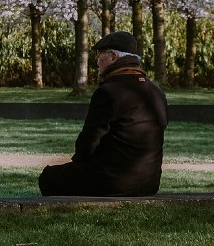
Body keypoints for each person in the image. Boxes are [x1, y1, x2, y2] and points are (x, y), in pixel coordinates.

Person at [38, 30, 168, 197]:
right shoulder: (156, 91)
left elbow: (88, 142)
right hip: (150, 183)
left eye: (99, 56)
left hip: (114, 181)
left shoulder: (109, 92)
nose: (97, 62)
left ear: (113, 57)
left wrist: (78, 163)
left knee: (49, 177)